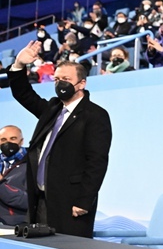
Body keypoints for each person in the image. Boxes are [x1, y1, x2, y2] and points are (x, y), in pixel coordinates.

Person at [6, 47, 112, 238]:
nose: (60, 83)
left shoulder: (95, 115)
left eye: (66, 79)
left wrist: (84, 201)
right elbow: (24, 94)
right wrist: (19, 65)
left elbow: (97, 162)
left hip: (71, 203)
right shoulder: (53, 109)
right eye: (56, 79)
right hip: (41, 199)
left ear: (81, 83)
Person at [0, 125, 29, 226]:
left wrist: (1, 184)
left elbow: (30, 201)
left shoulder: (32, 164)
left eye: (13, 138)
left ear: (21, 141)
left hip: (18, 226)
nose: (8, 143)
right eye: (3, 140)